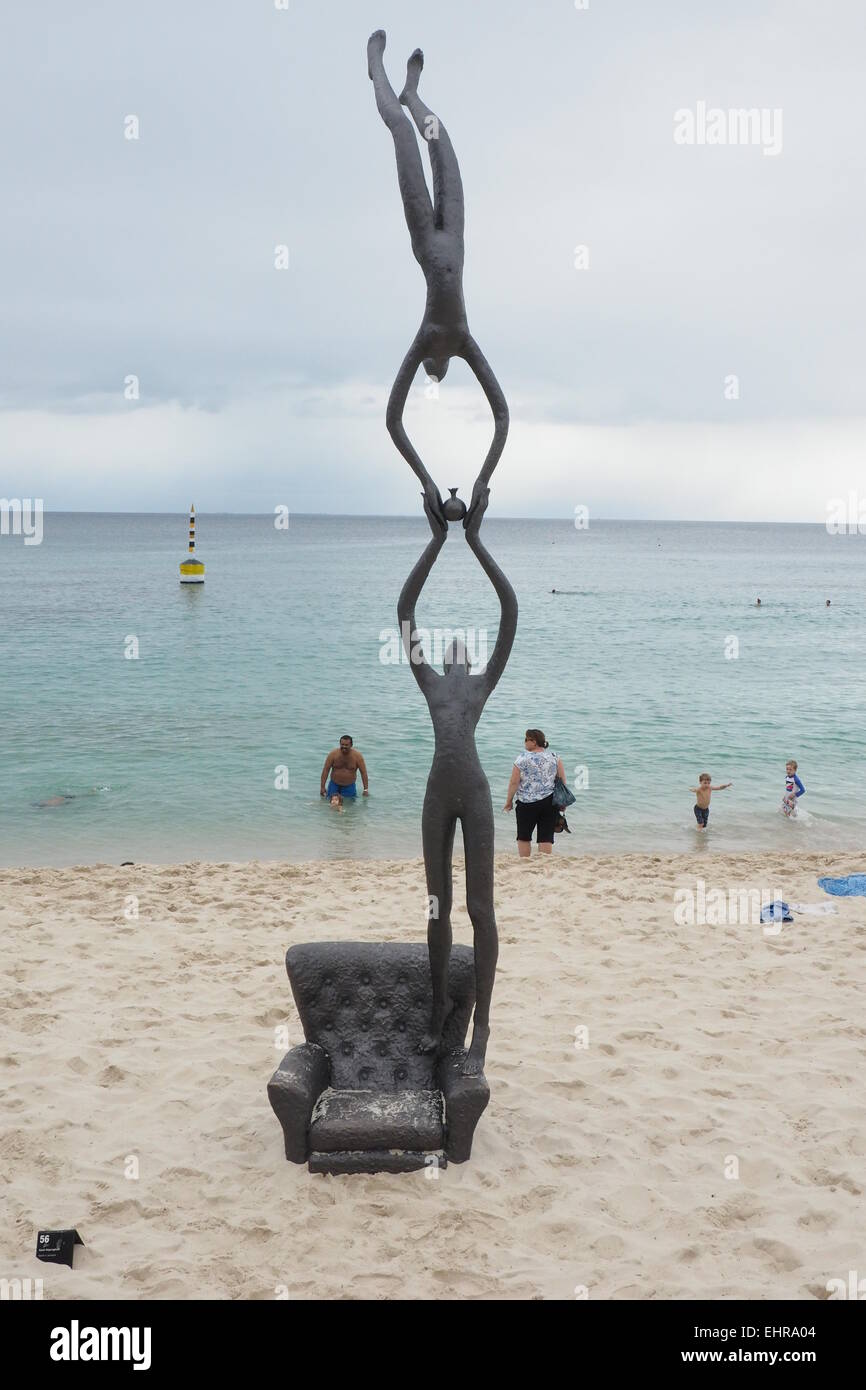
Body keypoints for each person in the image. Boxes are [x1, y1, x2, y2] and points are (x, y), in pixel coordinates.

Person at [397, 487, 517, 1075]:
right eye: (451, 649)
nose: (458, 649)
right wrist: (434, 541)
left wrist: (474, 540)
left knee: (481, 908)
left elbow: (509, 610)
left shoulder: (481, 685)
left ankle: (483, 1025)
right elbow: (405, 614)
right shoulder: (429, 684)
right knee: (436, 906)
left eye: (464, 649)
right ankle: (439, 1011)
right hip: (437, 794)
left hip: (472, 792)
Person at [367, 29, 508, 528]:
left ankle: (402, 90)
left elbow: (392, 421)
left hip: (430, 234)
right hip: (454, 230)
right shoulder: (461, 340)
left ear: (433, 363)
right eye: (440, 369)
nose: (442, 366)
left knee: (412, 135)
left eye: (438, 368)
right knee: (434, 139)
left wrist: (433, 480)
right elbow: (503, 417)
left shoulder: (429, 338)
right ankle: (396, 84)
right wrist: (475, 480)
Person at [504, 730, 566, 857]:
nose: (525, 742)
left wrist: (509, 801)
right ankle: (543, 864)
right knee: (546, 836)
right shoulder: (555, 757)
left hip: (526, 803)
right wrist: (562, 801)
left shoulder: (522, 758)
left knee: (524, 836)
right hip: (549, 802)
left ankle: (525, 862)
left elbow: (514, 782)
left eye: (527, 739)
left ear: (534, 742)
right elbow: (562, 781)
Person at [320, 735, 369, 801]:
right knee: (330, 804)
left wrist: (365, 789)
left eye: (346, 745)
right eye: (342, 744)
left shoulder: (357, 756)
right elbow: (326, 770)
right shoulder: (333, 754)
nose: (344, 747)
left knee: (349, 806)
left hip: (349, 786)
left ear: (351, 745)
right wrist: (322, 787)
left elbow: (363, 773)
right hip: (334, 784)